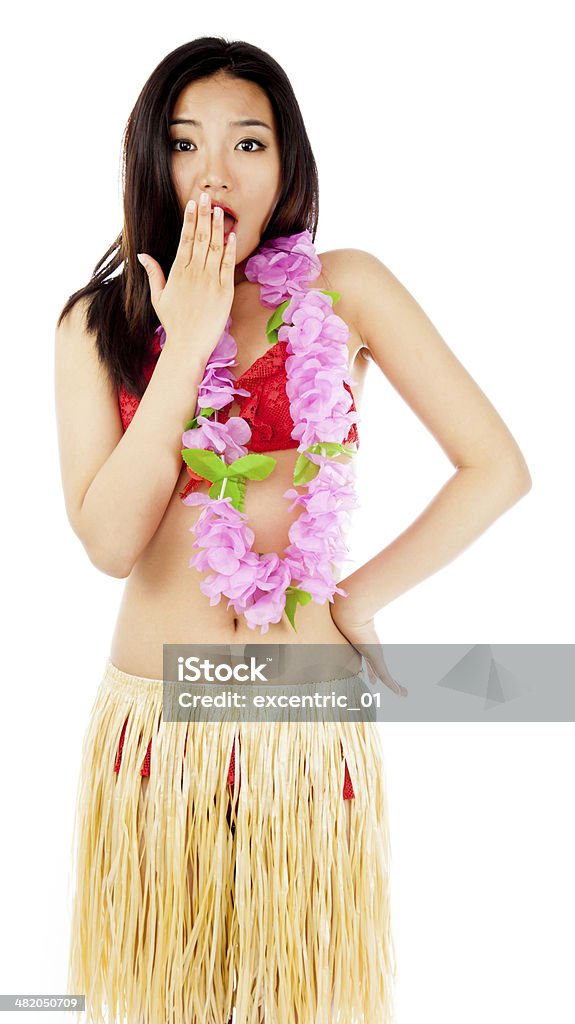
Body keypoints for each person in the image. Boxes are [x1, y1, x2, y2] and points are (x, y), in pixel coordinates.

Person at [55, 36, 531, 1024]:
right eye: (186, 145)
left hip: (303, 728)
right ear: (153, 160)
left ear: (288, 166)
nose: (216, 173)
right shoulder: (95, 324)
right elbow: (108, 542)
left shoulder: (341, 289)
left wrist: (357, 599)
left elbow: (495, 466)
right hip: (158, 730)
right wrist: (185, 340)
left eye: (248, 144)